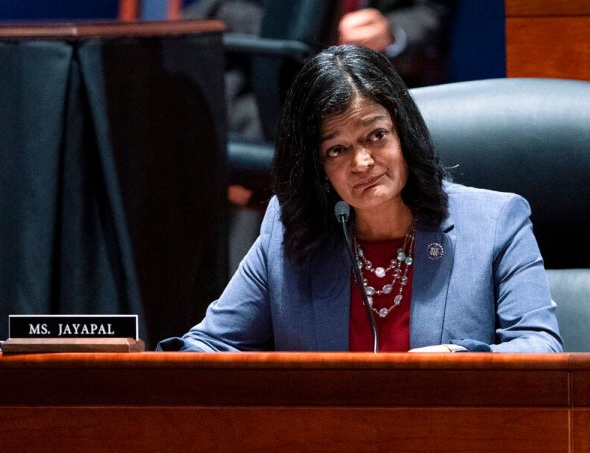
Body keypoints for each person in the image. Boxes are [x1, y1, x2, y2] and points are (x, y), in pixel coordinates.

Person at [157, 45, 562, 353]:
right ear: (318, 167)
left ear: (403, 132)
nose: (363, 162)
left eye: (376, 136)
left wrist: (460, 358)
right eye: (337, 149)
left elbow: (541, 346)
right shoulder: (287, 229)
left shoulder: (495, 221)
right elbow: (210, 346)